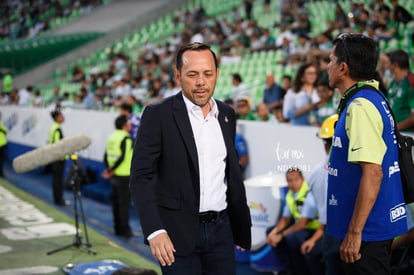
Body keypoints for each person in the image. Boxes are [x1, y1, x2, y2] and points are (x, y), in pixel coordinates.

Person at [129, 42, 251, 274]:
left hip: (222, 232)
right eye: (192, 74)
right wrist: (155, 230)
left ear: (217, 74)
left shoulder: (226, 114)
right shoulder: (158, 115)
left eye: (208, 74)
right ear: (177, 75)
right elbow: (140, 178)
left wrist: (238, 225)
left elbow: (229, 173)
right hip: (176, 235)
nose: (201, 82)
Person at [326, 33, 407, 275]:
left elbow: (373, 172)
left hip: (365, 234)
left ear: (343, 68)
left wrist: (354, 231)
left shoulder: (361, 106)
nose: (327, 66)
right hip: (370, 230)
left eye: (330, 60)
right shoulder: (372, 98)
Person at [300, 114, 344, 275]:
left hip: (332, 234)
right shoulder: (365, 169)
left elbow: (325, 216)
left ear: (326, 145)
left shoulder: (317, 174)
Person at [267, 167, 323, 275]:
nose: (293, 183)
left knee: (292, 238)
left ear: (302, 179)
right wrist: (274, 233)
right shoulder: (290, 195)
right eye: (289, 180)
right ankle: (289, 268)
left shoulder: (309, 193)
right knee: (270, 232)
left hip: (315, 229)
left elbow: (303, 222)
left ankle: (301, 271)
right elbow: (285, 219)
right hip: (300, 227)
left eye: (296, 180)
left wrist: (281, 235)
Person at [103, 115, 134, 239]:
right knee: (124, 204)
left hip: (114, 175)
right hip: (123, 175)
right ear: (124, 125)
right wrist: (113, 170)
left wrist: (109, 170)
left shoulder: (112, 136)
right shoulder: (126, 138)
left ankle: (117, 228)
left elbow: (106, 155)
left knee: (116, 202)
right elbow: (123, 157)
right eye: (128, 122)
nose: (130, 125)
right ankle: (124, 230)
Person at [384, 49, 414, 132]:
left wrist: (394, 129)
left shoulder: (411, 82)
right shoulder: (393, 83)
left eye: (388, 63)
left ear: (395, 65)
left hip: (408, 136)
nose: (386, 67)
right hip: (395, 134)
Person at [48, 109, 69, 206]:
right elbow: (57, 145)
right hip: (58, 159)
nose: (63, 117)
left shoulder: (54, 127)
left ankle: (57, 198)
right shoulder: (57, 129)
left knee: (56, 179)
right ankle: (59, 200)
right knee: (58, 180)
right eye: (61, 116)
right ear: (57, 118)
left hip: (54, 157)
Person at [0, 112, 8, 177]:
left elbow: (5, 130)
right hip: (2, 144)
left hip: (3, 143)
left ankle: (1, 172)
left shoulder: (1, 125)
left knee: (2, 159)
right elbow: (5, 130)